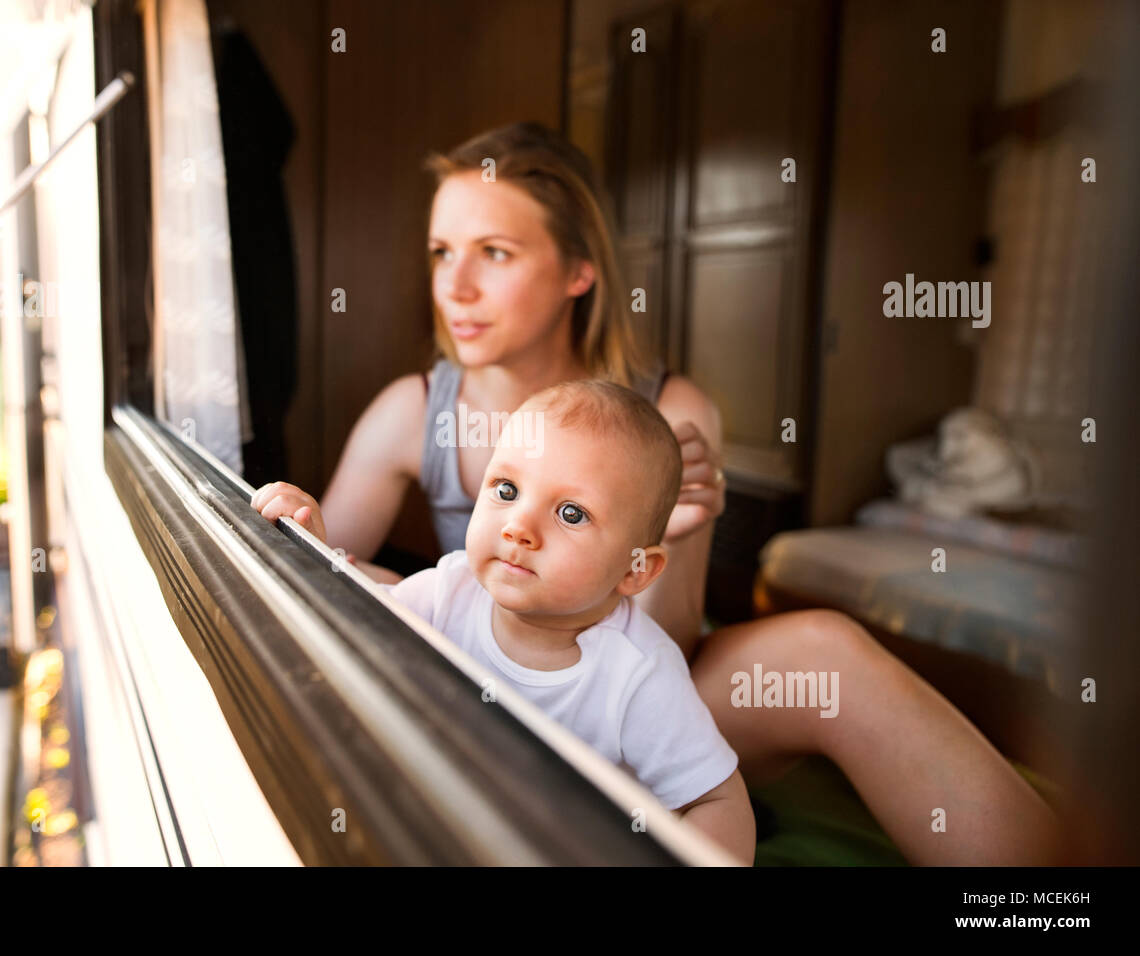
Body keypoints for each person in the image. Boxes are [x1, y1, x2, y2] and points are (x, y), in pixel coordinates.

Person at [254, 122, 1060, 865]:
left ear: (579, 270)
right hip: (489, 653)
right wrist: (319, 539)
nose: (455, 285)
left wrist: (671, 537)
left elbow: (665, 639)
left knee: (825, 651)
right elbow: (341, 585)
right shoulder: (412, 411)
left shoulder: (670, 415)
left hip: (642, 675)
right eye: (440, 252)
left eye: (494, 252)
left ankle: (1049, 896)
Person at [252, 380, 756, 862]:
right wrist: (314, 548)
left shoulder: (638, 674)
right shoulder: (450, 590)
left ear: (635, 569)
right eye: (507, 489)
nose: (519, 528)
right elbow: (350, 618)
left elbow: (716, 802)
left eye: (571, 514)